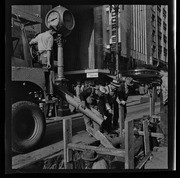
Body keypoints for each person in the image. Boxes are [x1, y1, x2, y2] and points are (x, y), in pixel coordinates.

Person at [157, 65, 168, 145]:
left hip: (166, 104)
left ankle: (166, 141)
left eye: (159, 72)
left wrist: (164, 101)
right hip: (166, 103)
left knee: (164, 122)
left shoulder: (166, 79)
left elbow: (167, 91)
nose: (159, 73)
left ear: (162, 71)